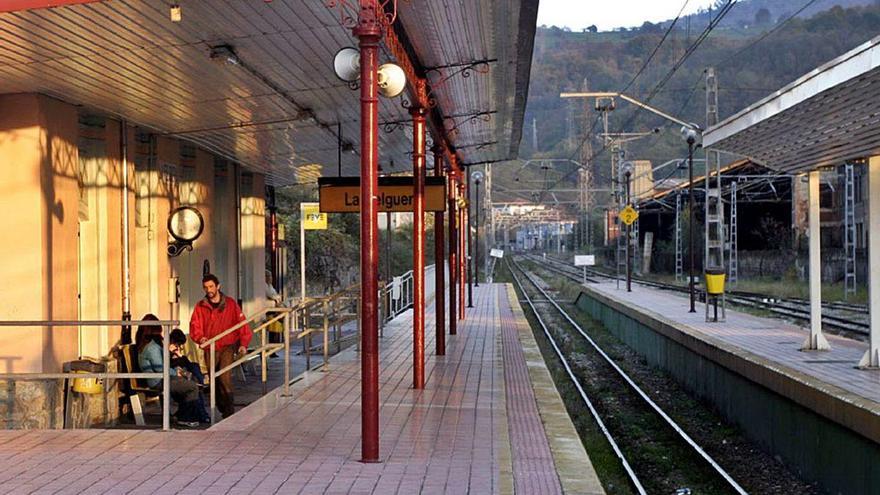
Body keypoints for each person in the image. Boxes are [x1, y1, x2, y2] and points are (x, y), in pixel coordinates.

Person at [189, 274, 252, 419]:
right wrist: (200, 338)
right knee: (214, 379)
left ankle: (229, 410)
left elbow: (242, 324)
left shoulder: (230, 304)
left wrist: (243, 344)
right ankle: (221, 406)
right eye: (206, 287)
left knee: (224, 377)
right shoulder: (201, 306)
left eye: (211, 286)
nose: (208, 290)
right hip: (210, 347)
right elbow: (195, 326)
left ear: (218, 286)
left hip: (227, 346)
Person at [136, 315, 202, 427]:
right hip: (158, 381)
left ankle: (185, 415)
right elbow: (160, 368)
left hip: (160, 378)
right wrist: (176, 372)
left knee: (189, 380)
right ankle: (186, 418)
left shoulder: (151, 345)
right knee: (192, 386)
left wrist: (175, 368)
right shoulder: (152, 347)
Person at [169, 329, 210, 423]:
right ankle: (202, 415)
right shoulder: (164, 350)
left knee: (194, 366)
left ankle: (202, 414)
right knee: (195, 386)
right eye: (177, 345)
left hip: (181, 374)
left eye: (180, 346)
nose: (179, 347)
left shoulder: (175, 350)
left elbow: (186, 363)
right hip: (175, 376)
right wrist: (172, 353)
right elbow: (170, 366)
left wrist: (179, 355)